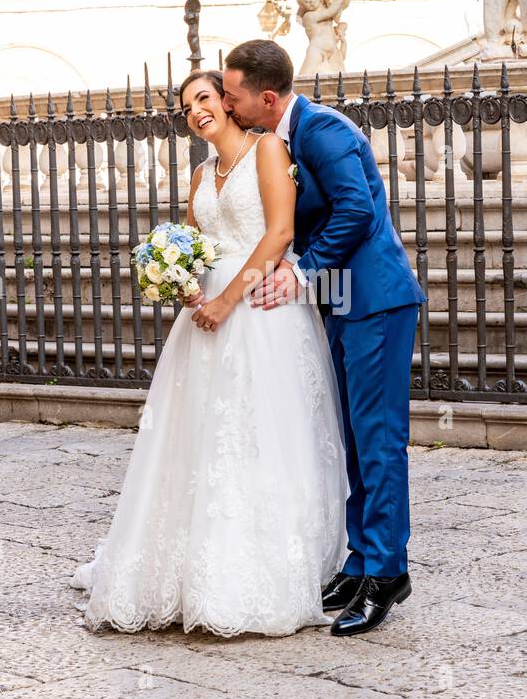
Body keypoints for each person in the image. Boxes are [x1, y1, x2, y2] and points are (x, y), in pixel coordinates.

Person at [68, 70, 347, 638]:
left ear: (228, 101)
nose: (196, 110)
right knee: (198, 438)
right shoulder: (200, 173)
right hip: (205, 317)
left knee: (258, 432)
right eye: (186, 105)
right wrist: (180, 280)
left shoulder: (269, 149)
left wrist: (225, 300)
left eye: (204, 98)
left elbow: (278, 234)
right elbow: (195, 243)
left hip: (260, 308)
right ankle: (187, 565)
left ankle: (264, 564)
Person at [223, 40, 426, 637]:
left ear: (265, 97)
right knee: (355, 439)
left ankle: (387, 572)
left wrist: (302, 268)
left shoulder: (322, 131)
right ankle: (361, 561)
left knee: (379, 439)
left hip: (376, 301)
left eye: (233, 97)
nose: (229, 106)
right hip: (343, 304)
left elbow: (357, 210)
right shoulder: (282, 138)